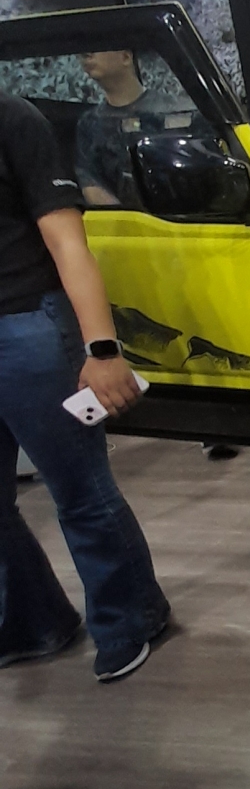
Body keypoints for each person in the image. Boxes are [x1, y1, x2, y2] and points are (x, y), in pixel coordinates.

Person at [0, 90, 170, 681]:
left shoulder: (11, 117)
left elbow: (67, 241)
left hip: (29, 323)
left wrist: (102, 348)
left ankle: (132, 617)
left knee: (78, 488)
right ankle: (32, 622)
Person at [74, 50, 201, 208]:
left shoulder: (176, 112)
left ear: (126, 57)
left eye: (97, 47)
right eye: (81, 52)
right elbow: (90, 182)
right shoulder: (91, 124)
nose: (86, 55)